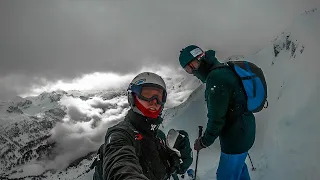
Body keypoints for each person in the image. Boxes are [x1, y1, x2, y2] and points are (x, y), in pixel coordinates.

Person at [178, 45, 256, 180]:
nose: (191, 73)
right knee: (238, 168)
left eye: (189, 69)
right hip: (246, 129)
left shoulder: (215, 78)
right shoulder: (223, 68)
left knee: (225, 176)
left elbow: (216, 119)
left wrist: (203, 141)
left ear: (196, 62)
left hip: (235, 138)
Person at [96, 72, 193, 180]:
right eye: (147, 94)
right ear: (132, 97)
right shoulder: (120, 134)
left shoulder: (158, 136)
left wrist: (174, 158)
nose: (154, 102)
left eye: (159, 96)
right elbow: (120, 167)